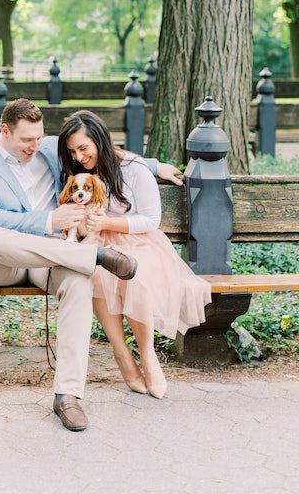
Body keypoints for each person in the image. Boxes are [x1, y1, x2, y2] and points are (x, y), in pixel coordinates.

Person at [0, 98, 178, 432]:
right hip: (4, 262)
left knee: (78, 281)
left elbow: (102, 150)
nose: (35, 145)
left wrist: (153, 165)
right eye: (26, 140)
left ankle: (68, 396)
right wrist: (49, 219)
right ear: (5, 131)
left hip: (54, 255)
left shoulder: (46, 148)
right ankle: (95, 257)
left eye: (39, 138)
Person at [58, 110, 212, 399]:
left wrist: (107, 223)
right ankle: (122, 356)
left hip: (138, 239)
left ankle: (148, 356)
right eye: (72, 151)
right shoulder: (78, 174)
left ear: (100, 140)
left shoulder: (133, 169)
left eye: (83, 148)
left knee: (136, 274)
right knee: (96, 273)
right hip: (98, 241)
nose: (78, 157)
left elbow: (151, 220)